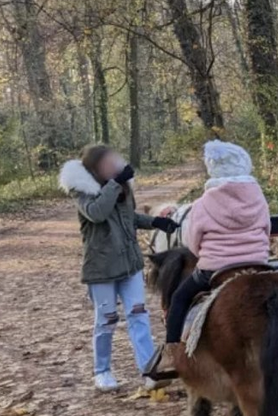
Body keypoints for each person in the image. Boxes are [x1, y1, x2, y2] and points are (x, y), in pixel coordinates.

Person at [147, 139, 271, 379]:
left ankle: (172, 354)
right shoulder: (258, 197)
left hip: (215, 270)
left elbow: (193, 242)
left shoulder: (203, 204)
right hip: (258, 264)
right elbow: (267, 228)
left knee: (179, 298)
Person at [59, 145, 179, 392]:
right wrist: (115, 183)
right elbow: (98, 213)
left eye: (114, 161)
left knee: (139, 315)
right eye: (107, 164)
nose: (113, 166)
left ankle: (148, 369)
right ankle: (101, 371)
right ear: (94, 168)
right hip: (101, 269)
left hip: (130, 264)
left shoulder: (121, 186)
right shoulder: (82, 192)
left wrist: (156, 222)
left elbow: (129, 218)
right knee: (106, 320)